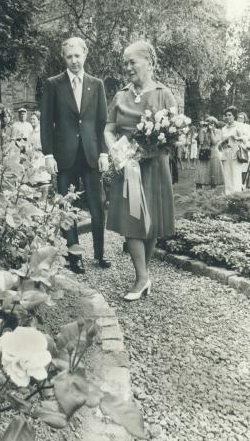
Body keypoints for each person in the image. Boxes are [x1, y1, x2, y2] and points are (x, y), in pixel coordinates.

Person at [104, 40, 177, 300]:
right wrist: (114, 149)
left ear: (149, 62)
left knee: (152, 221)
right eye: (125, 63)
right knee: (131, 220)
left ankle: (143, 275)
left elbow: (173, 135)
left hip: (154, 167)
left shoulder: (164, 94)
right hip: (127, 168)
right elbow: (109, 129)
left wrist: (148, 150)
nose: (127, 67)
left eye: (132, 62)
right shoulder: (120, 95)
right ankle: (142, 277)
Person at [41, 36, 110, 274]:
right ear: (64, 58)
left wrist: (103, 152)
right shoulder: (53, 84)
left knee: (97, 206)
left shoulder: (97, 84)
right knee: (66, 206)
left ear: (85, 55)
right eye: (69, 57)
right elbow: (46, 122)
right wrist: (48, 154)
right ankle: (74, 256)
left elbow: (102, 122)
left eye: (77, 56)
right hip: (64, 156)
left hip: (91, 154)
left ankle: (100, 254)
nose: (73, 61)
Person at [220, 106, 246, 195]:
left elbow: (246, 138)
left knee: (236, 176)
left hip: (235, 153)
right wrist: (222, 142)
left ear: (234, 116)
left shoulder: (239, 126)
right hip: (226, 153)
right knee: (227, 177)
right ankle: (228, 197)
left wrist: (237, 137)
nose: (227, 117)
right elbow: (220, 142)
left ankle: (237, 197)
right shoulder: (223, 128)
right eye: (226, 115)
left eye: (229, 115)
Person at [237, 111, 250, 185]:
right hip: (236, 147)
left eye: (241, 118)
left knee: (244, 166)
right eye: (238, 117)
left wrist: (242, 139)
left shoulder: (247, 126)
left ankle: (243, 184)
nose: (240, 119)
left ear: (245, 119)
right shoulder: (235, 125)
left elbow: (248, 137)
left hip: (244, 147)